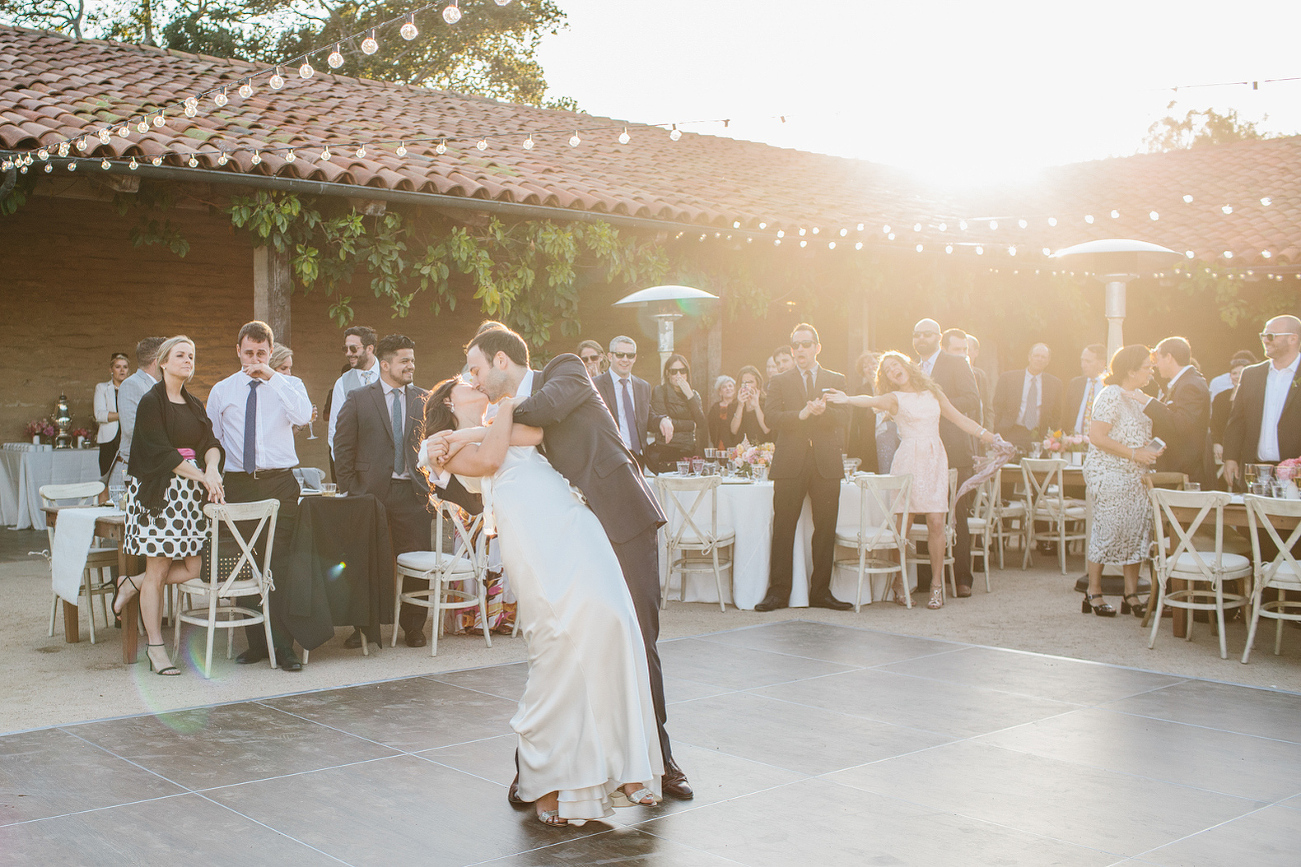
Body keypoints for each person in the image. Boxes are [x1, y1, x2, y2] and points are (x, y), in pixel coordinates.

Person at [426, 326, 691, 805]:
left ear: (502, 360)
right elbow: (490, 460)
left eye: (477, 369)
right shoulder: (503, 411)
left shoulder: (564, 369)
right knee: (563, 641)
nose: (474, 379)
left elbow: (541, 414)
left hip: (619, 517)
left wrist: (470, 426)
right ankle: (544, 765)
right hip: (563, 532)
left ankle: (658, 760)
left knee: (632, 634)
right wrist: (462, 434)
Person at [826, 352, 1000, 609]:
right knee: (902, 524)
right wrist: (847, 398)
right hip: (907, 461)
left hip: (934, 459)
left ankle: (936, 586)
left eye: (896, 364)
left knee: (936, 521)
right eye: (887, 370)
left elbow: (961, 419)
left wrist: (991, 437)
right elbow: (869, 399)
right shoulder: (894, 399)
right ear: (887, 378)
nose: (893, 370)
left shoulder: (933, 393)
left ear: (907, 365)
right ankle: (899, 582)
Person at [112, 336, 225, 676]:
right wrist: (203, 477)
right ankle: (156, 648)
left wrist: (213, 467)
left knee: (193, 567)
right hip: (159, 497)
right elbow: (162, 453)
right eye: (180, 355)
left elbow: (210, 441)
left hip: (189, 497)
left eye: (191, 355)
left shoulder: (193, 403)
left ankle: (132, 583)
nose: (188, 360)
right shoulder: (151, 402)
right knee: (158, 571)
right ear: (163, 362)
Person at [206, 320, 314, 672]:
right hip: (239, 483)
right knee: (245, 562)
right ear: (238, 350)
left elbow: (301, 415)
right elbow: (215, 441)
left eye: (261, 353)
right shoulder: (223, 390)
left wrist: (273, 377)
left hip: (280, 483)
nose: (254, 359)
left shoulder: (288, 385)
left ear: (270, 352)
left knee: (278, 562)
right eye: (248, 352)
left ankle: (284, 648)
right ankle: (256, 642)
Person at [333, 334, 434, 649]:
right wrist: (352, 489)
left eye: (412, 360)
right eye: (404, 360)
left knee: (417, 560)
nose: (411, 366)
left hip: (412, 492)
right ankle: (364, 627)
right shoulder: (359, 398)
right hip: (370, 493)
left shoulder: (423, 399)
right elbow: (342, 447)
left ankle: (414, 628)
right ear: (386, 364)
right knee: (365, 561)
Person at [755, 323, 853, 612]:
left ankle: (821, 592)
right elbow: (771, 417)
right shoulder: (780, 381)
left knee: (825, 529)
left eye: (806, 344)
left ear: (817, 347)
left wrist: (823, 413)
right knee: (783, 528)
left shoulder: (835, 378)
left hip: (825, 462)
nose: (800, 350)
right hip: (790, 461)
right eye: (795, 345)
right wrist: (799, 414)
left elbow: (845, 416)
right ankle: (779, 593)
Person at [1081, 345, 1165, 617]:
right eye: (1147, 367)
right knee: (1109, 529)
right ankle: (1093, 591)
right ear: (1130, 370)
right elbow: (1097, 437)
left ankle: (1131, 594)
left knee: (1136, 531)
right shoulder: (1110, 395)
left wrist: (1149, 451)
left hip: (1136, 474)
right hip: (1109, 472)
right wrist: (1134, 453)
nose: (1151, 371)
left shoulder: (1139, 397)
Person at [914, 319, 982, 597]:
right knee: (923, 511)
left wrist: (939, 403)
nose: (921, 339)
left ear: (938, 337)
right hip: (923, 450)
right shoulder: (912, 369)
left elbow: (972, 400)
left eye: (927, 334)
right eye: (916, 335)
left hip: (953, 449)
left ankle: (962, 578)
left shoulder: (956, 363)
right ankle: (925, 576)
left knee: (955, 513)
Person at [1223, 315, 1301, 489]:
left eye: (1271, 336)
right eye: (1263, 335)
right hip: (1256, 470)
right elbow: (1237, 420)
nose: (1265, 340)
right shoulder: (1251, 374)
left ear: (1293, 339)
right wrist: (1231, 458)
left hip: (1296, 473)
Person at [592, 335, 670, 465]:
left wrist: (663, 420)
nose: (625, 359)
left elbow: (647, 417)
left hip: (638, 459)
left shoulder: (643, 386)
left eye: (630, 355)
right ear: (610, 357)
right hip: (608, 459)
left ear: (635, 358)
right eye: (620, 355)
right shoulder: (596, 386)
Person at [1145, 336, 1211, 486]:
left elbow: (1181, 424)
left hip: (1187, 473)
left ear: (1168, 357)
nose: (1156, 365)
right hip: (1177, 469)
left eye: (1158, 358)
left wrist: (1148, 403)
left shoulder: (1190, 385)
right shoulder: (1183, 382)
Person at [992, 343, 1062, 449]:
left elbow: (1057, 413)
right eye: (1036, 356)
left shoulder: (1055, 383)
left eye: (1043, 357)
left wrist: (1050, 435)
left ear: (1048, 361)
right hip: (1011, 432)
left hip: (1039, 436)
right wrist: (999, 427)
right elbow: (997, 406)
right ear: (1029, 357)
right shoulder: (1008, 378)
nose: (1039, 359)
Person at [327, 325, 379, 458]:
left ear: (369, 349)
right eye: (345, 349)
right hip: (357, 463)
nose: (348, 353)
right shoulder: (342, 383)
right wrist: (341, 464)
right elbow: (335, 427)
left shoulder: (390, 375)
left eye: (353, 348)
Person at [648, 354, 708, 471]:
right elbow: (662, 420)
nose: (678, 375)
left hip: (689, 451)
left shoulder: (694, 394)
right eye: (674, 372)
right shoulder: (660, 391)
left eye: (682, 371)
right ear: (667, 373)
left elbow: (701, 423)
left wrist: (690, 396)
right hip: (667, 450)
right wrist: (691, 425)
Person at [115, 336, 165, 470]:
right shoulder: (131, 384)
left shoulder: (163, 386)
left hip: (156, 465)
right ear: (157, 362)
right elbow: (131, 429)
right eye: (167, 358)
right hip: (136, 468)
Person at [1210, 353, 1256, 488]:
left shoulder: (1254, 397)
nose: (1237, 376)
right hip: (1224, 448)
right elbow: (1214, 423)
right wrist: (1217, 443)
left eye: (1241, 372)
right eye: (1234, 373)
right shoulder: (1220, 397)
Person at [93, 352, 129, 477]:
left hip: (128, 437)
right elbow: (100, 415)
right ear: (111, 369)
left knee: (127, 476)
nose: (122, 370)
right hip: (109, 439)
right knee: (106, 477)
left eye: (125, 367)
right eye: (118, 367)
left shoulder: (131, 389)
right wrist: (123, 415)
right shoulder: (102, 388)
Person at [845, 351, 880, 473]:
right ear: (863, 372)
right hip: (868, 441)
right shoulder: (860, 390)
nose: (870, 368)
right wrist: (853, 452)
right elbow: (855, 423)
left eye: (873, 363)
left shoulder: (891, 387)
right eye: (866, 366)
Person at [1064, 344, 1107, 436]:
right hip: (1074, 443)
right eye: (1082, 360)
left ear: (1102, 363)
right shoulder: (1075, 383)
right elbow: (1066, 416)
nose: (1083, 365)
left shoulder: (1110, 385)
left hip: (1100, 443)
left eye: (1088, 361)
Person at [730, 365, 770, 446]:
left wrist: (756, 406)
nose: (746, 385)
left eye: (750, 382)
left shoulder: (766, 402)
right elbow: (733, 430)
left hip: (762, 450)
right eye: (743, 382)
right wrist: (740, 405)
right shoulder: (734, 404)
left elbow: (767, 430)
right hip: (741, 450)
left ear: (757, 383)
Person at [966, 334, 993, 424]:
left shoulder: (980, 375)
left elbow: (987, 407)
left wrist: (987, 431)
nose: (964, 353)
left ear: (976, 352)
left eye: (967, 349)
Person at [706, 375, 738, 450]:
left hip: (736, 443)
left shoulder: (739, 406)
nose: (728, 389)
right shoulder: (715, 408)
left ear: (735, 390)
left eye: (730, 386)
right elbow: (711, 428)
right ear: (720, 392)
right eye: (724, 387)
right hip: (720, 443)